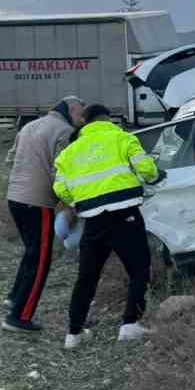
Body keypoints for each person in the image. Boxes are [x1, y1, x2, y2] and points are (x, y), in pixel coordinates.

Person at [54, 104, 160, 349]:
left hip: (93, 220)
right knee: (138, 268)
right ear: (107, 119)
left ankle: (73, 334)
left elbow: (60, 188)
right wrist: (154, 177)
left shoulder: (70, 152)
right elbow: (146, 169)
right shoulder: (122, 138)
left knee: (87, 277)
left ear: (85, 123)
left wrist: (80, 201)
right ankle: (130, 325)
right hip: (125, 214)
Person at [3, 95, 85, 332]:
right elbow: (62, 170)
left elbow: (10, 158)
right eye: (80, 114)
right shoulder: (65, 131)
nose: (81, 120)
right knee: (41, 260)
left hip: (15, 198)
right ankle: (19, 316)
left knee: (31, 252)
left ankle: (14, 298)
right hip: (37, 203)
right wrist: (71, 203)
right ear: (70, 110)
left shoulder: (30, 126)